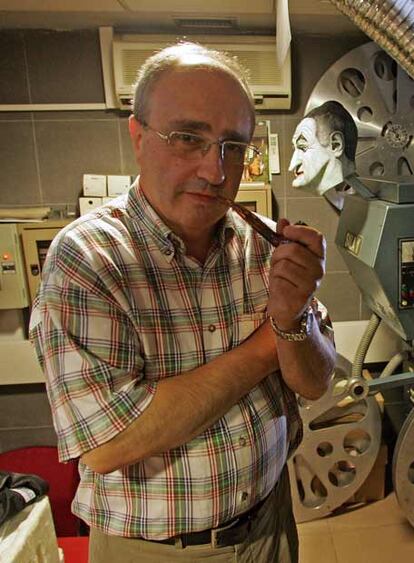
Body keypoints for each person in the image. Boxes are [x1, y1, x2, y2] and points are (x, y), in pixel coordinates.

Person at [29, 42, 336, 563]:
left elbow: (316, 380)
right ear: (138, 137)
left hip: (270, 523)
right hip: (156, 551)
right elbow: (110, 444)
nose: (216, 172)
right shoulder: (88, 258)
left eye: (233, 147)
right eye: (188, 138)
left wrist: (295, 319)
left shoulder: (261, 243)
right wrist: (270, 342)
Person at [289, 100, 358, 211]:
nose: (292, 166)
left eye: (303, 147)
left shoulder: (370, 197)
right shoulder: (331, 190)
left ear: (335, 145)